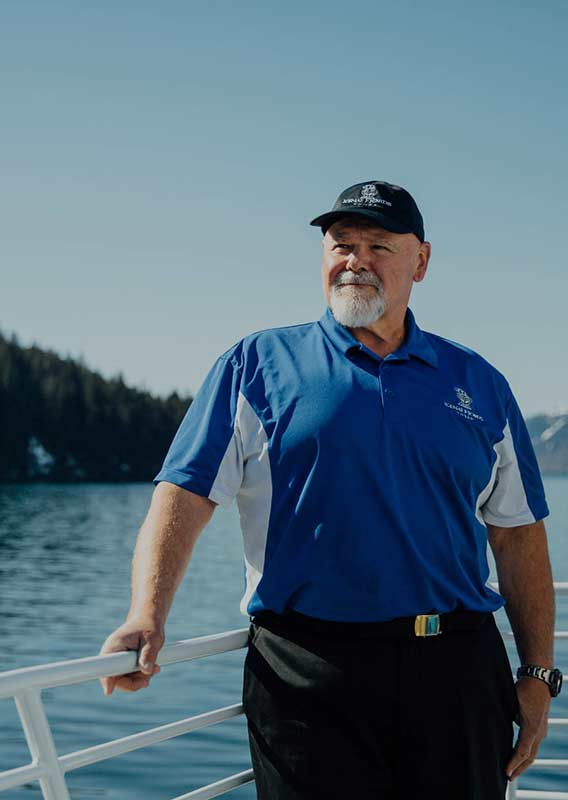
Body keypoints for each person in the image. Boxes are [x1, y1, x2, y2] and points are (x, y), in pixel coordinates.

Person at [100, 180, 560, 800]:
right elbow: (183, 494)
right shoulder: (256, 365)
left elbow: (517, 532)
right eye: (341, 244)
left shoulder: (478, 382)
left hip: (456, 670)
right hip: (306, 676)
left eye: (378, 245)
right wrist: (146, 614)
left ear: (420, 262)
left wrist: (535, 673)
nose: (356, 261)